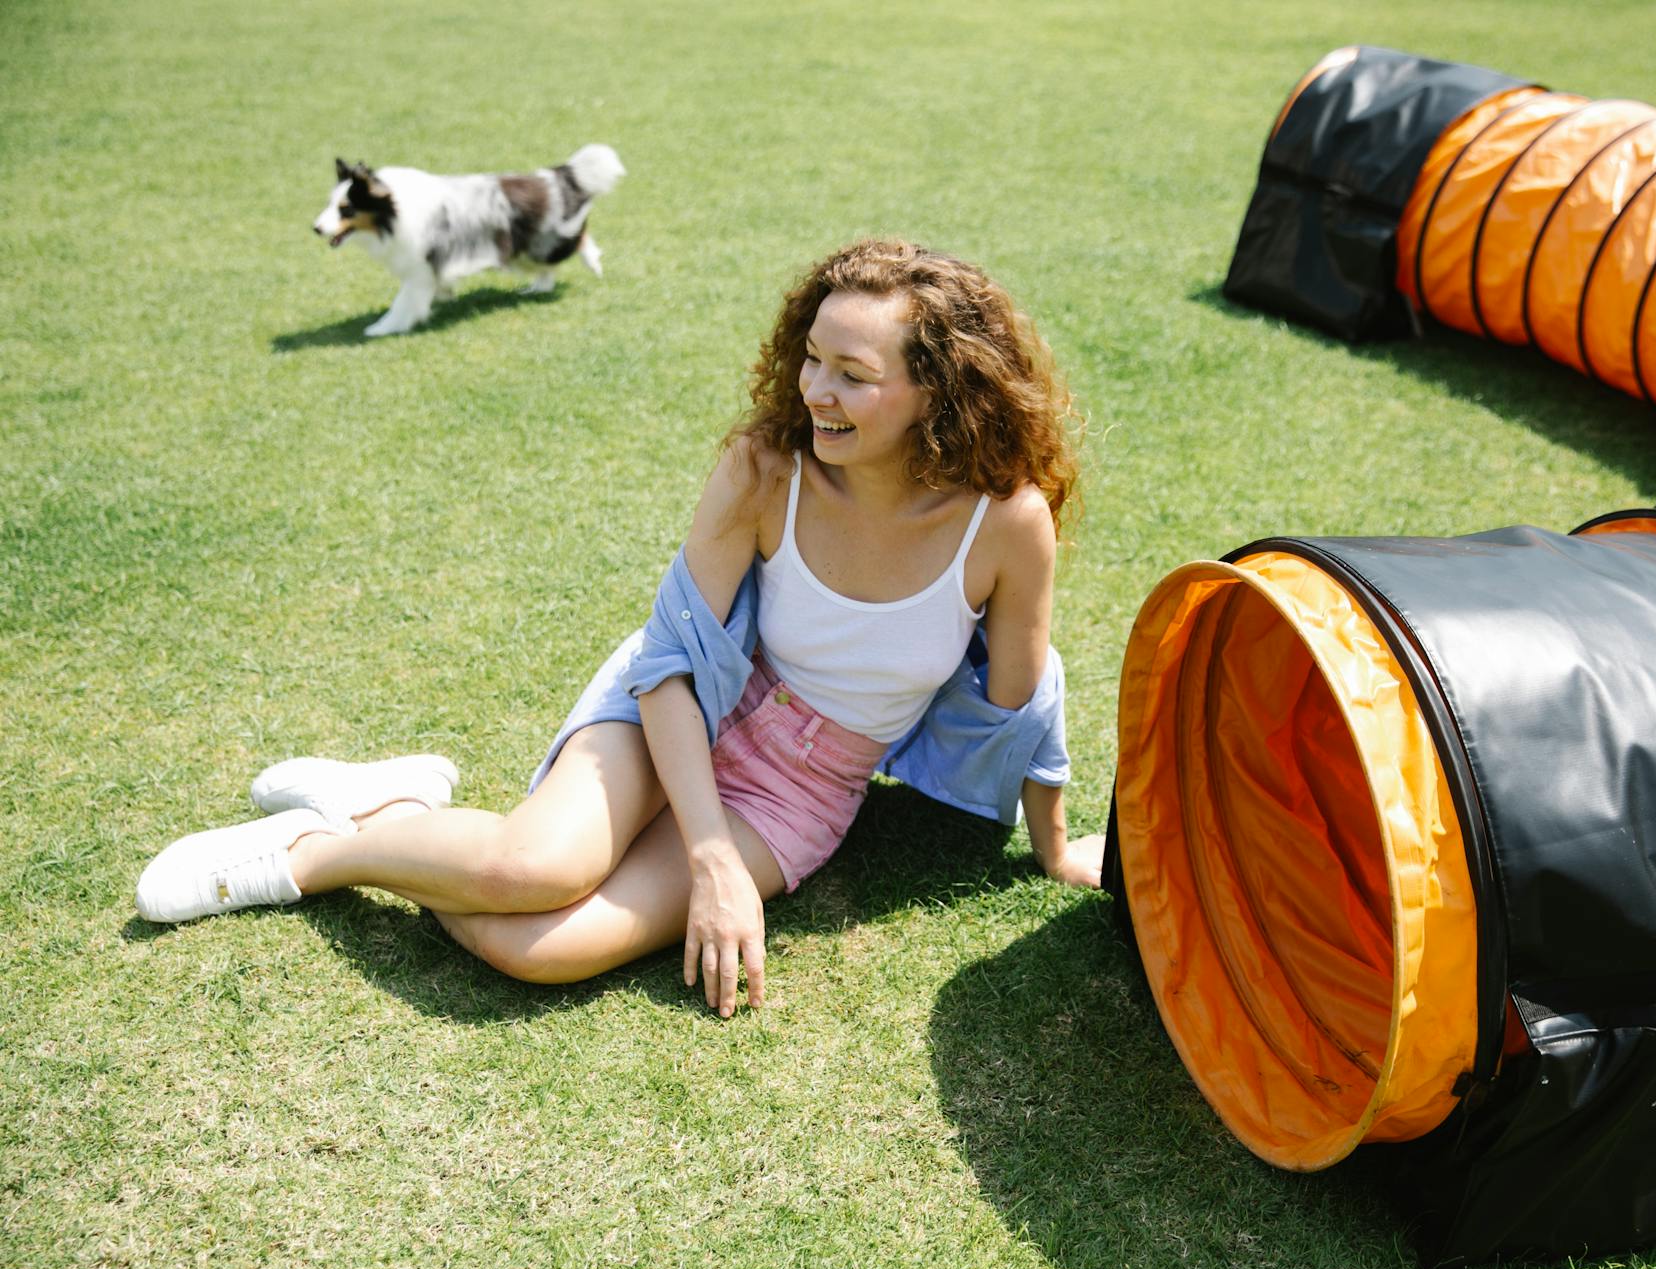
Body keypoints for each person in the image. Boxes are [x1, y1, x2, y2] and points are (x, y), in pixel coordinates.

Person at [135, 238, 1104, 1016]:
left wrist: (1055, 848)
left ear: (940, 389)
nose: (815, 390)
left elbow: (1020, 695)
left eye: (853, 373)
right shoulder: (766, 467)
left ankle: (395, 813)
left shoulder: (1004, 520)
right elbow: (676, 658)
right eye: (812, 357)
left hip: (810, 781)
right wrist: (710, 858)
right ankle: (318, 851)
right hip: (687, 703)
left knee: (537, 948)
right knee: (532, 868)